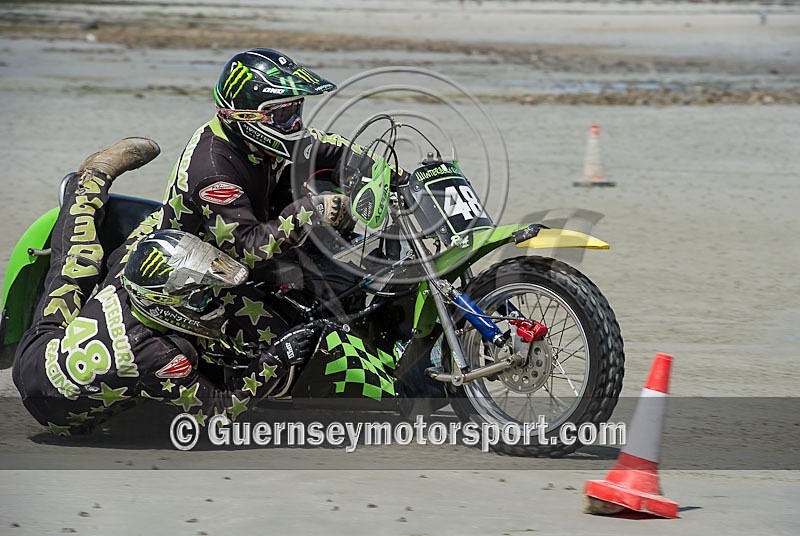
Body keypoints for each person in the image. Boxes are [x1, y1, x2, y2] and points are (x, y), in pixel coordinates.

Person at [110, 48, 409, 359]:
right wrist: (313, 210)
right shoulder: (212, 171)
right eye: (283, 114)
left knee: (351, 279)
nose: (294, 122)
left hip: (258, 255)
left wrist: (403, 179)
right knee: (311, 352)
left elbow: (332, 148)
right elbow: (247, 249)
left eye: (296, 110)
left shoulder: (264, 138)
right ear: (248, 118)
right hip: (213, 284)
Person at [12, 139, 312, 435]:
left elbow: (160, 230)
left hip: (53, 345)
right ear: (162, 306)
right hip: (58, 412)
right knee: (187, 356)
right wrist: (274, 360)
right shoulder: (159, 356)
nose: (210, 300)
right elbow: (219, 412)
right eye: (197, 298)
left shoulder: (131, 279)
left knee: (79, 261)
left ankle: (93, 176)